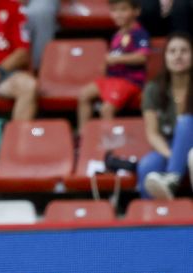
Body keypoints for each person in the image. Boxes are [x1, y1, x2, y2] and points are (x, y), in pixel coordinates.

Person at [77, 0, 151, 128]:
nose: (118, 14)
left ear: (136, 11)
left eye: (123, 10)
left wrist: (117, 59)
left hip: (129, 81)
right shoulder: (117, 35)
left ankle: (109, 144)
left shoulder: (139, 33)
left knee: (106, 109)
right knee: (84, 95)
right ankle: (83, 138)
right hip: (112, 80)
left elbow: (142, 57)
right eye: (114, 11)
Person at [138, 32, 193, 198]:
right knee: (147, 166)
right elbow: (152, 133)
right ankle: (152, 218)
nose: (178, 56)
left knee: (186, 122)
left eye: (184, 51)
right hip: (168, 145)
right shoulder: (153, 88)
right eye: (172, 51)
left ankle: (170, 178)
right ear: (165, 57)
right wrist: (176, 156)